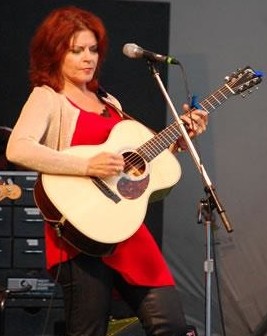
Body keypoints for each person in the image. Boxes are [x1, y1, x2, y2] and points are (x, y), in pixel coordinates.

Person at [6, 6, 208, 336]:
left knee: (171, 325)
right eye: (76, 50)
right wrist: (85, 164)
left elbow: (138, 158)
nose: (88, 58)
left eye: (93, 49)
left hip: (126, 229)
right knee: (88, 330)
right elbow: (18, 148)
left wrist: (180, 137)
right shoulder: (48, 97)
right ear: (55, 53)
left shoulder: (108, 101)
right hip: (80, 230)